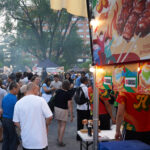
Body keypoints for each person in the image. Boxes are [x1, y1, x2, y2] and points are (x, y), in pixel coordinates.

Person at [13, 82, 53, 150]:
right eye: (37, 90)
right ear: (34, 89)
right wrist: (46, 125)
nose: (38, 93)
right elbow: (49, 117)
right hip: (40, 141)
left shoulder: (18, 103)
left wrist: (23, 127)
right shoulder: (41, 100)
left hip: (26, 141)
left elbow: (16, 122)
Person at [54, 80, 73, 146]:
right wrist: (71, 115)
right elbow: (70, 105)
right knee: (63, 125)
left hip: (56, 108)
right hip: (63, 110)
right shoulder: (68, 94)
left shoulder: (57, 91)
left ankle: (59, 138)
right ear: (68, 85)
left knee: (59, 124)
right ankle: (60, 141)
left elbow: (54, 98)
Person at [2, 81, 20, 150]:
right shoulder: (14, 98)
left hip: (4, 119)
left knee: (6, 138)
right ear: (14, 88)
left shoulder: (5, 97)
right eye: (18, 88)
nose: (19, 90)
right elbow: (16, 111)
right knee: (13, 140)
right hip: (10, 120)